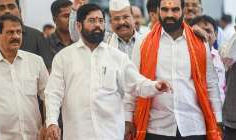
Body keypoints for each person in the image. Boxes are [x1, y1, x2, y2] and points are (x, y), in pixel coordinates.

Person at [44, 4, 171, 140]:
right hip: (78, 133)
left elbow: (136, 84)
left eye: (101, 21)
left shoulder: (117, 57)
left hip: (110, 133)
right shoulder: (64, 57)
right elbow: (53, 93)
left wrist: (155, 86)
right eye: (92, 21)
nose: (98, 25)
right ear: (79, 26)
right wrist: (52, 122)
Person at [124, 0, 222, 140]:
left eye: (175, 9)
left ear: (183, 10)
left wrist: (218, 120)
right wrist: (128, 118)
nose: (169, 14)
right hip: (156, 127)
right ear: (158, 10)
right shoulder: (143, 42)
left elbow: (211, 84)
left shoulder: (199, 41)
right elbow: (132, 83)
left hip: (193, 127)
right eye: (165, 9)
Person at [0, 14, 49, 140]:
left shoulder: (36, 61)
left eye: (18, 32)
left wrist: (47, 123)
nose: (15, 36)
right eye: (10, 32)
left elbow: (48, 96)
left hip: (34, 136)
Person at [0, 0, 53, 69]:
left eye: (11, 7)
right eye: (2, 8)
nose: (7, 11)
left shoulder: (37, 36)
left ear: (19, 10)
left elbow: (47, 68)